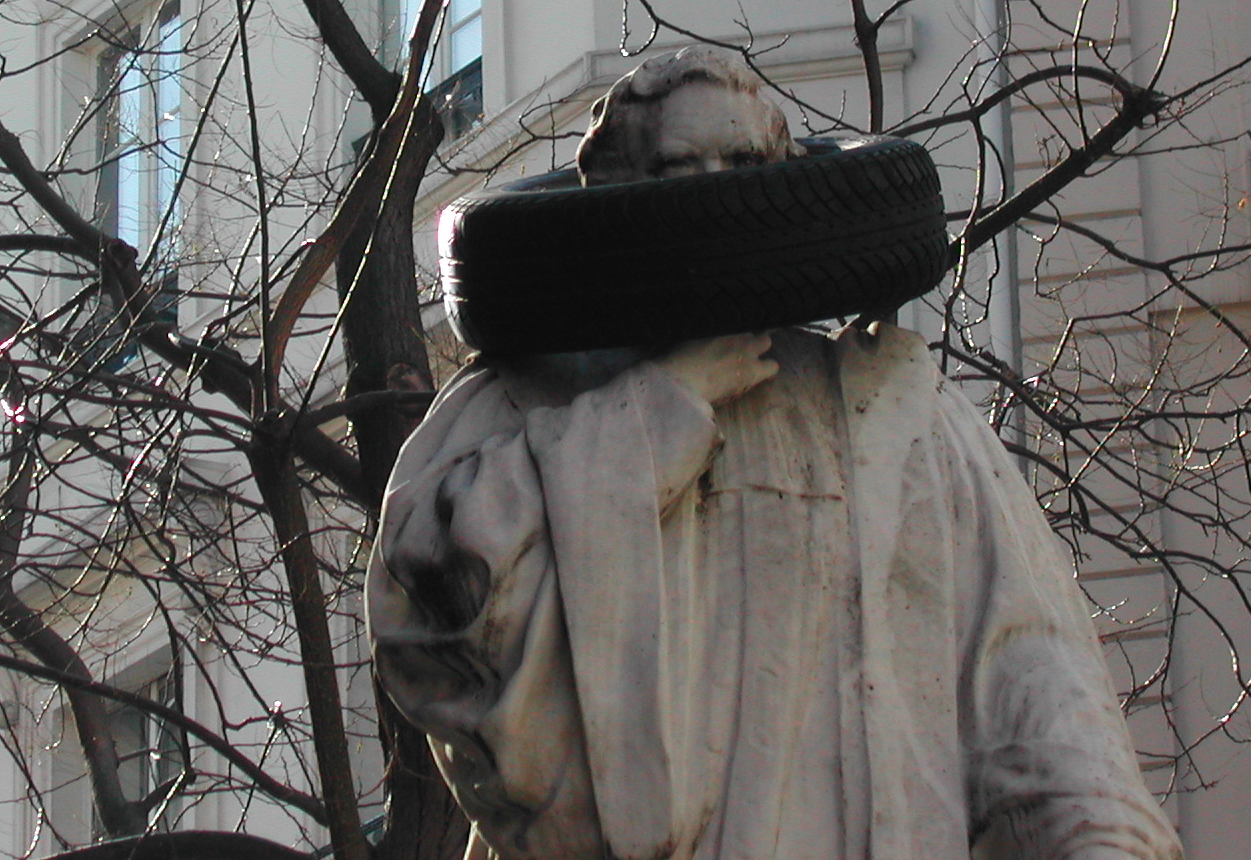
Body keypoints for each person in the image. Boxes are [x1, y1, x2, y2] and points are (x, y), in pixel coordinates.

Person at [367, 48, 1182, 860]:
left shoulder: (893, 410)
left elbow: (1029, 672)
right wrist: (652, 417)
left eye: (745, 164)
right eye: (681, 167)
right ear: (615, 191)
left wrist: (1096, 838)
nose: (719, 193)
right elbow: (436, 612)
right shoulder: (522, 403)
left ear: (787, 179)